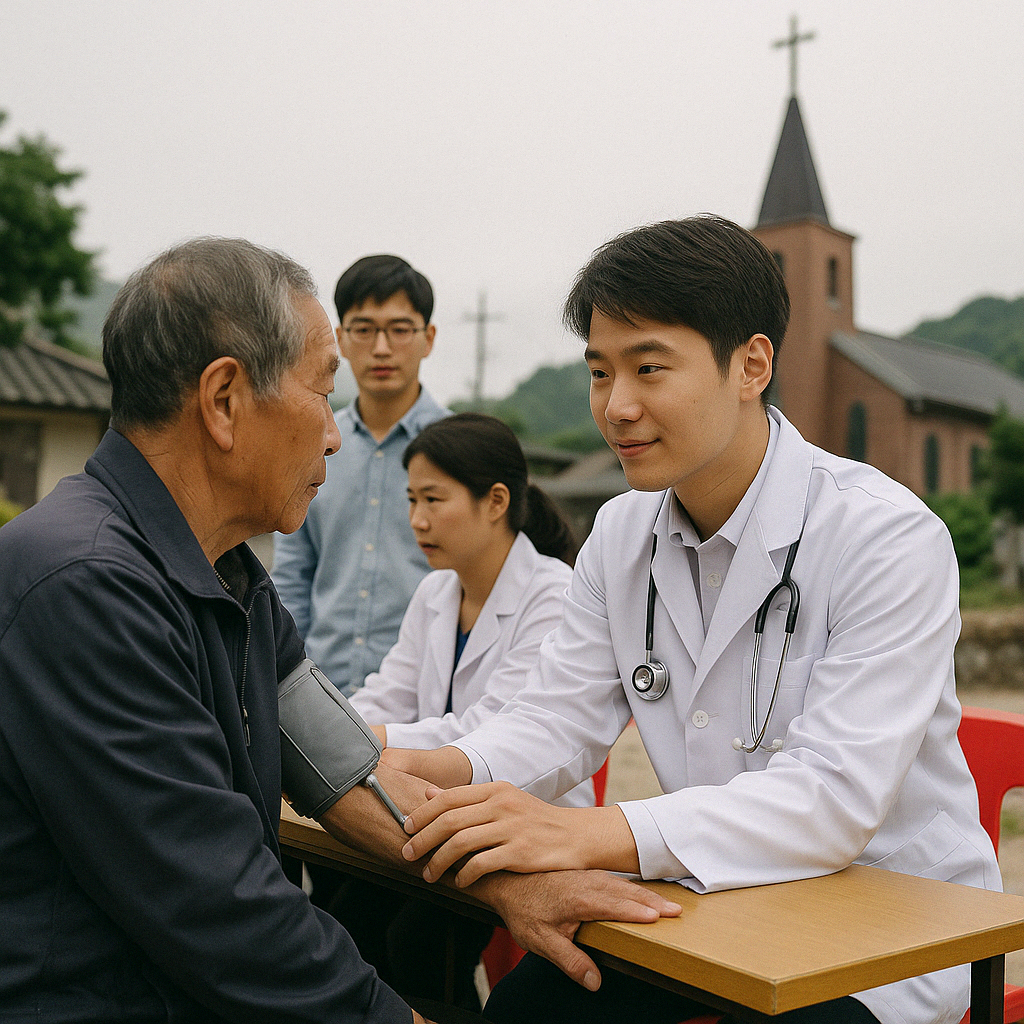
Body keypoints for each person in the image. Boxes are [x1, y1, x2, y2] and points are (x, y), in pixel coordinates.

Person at [0, 237, 682, 1024]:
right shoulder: (85, 588)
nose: (334, 434)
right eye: (324, 394)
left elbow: (346, 769)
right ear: (224, 400)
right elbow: (220, 908)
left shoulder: (228, 576)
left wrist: (508, 882)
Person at [386, 216, 1002, 1024]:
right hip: (715, 898)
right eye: (600, 373)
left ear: (751, 365)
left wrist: (586, 835)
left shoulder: (885, 535)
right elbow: (555, 718)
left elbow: (832, 799)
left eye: (649, 368)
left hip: (882, 927)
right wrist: (445, 769)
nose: (618, 406)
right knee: (527, 1011)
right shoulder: (621, 532)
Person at [339, 412, 586, 1010]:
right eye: (411, 500)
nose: (417, 520)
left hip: (523, 815)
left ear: (496, 501)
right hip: (430, 810)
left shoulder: (553, 594)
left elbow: (491, 728)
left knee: (418, 941)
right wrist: (336, 725)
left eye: (434, 499)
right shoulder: (437, 591)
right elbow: (388, 691)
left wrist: (364, 737)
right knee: (345, 911)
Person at [273, 254, 449, 698]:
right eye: (364, 329)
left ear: (428, 338)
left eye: (400, 329)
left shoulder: (461, 452)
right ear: (340, 339)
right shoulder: (310, 444)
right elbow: (292, 576)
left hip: (427, 694)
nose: (382, 347)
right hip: (320, 689)